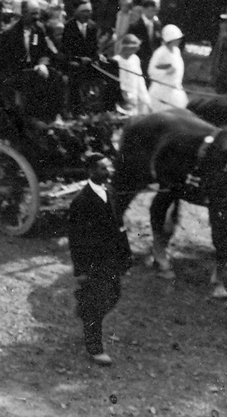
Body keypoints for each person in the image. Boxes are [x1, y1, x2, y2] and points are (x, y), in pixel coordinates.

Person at [68, 153, 132, 365]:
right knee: (97, 302)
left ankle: (86, 315)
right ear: (92, 171)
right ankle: (95, 348)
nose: (109, 172)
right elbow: (75, 240)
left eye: (110, 168)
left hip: (111, 259)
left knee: (113, 296)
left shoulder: (110, 192)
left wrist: (126, 256)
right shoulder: (81, 202)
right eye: (104, 169)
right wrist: (81, 271)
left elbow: (119, 226)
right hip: (94, 263)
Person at [147, 23, 187, 111]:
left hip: (175, 90)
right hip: (162, 90)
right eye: (176, 39)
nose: (178, 41)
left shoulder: (177, 51)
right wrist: (166, 72)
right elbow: (151, 71)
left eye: (179, 39)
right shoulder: (160, 52)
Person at [113, 34, 151, 117]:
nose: (133, 51)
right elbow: (118, 83)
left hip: (135, 98)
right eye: (131, 49)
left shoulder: (135, 59)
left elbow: (140, 80)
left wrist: (146, 99)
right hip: (123, 99)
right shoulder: (116, 60)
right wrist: (127, 97)